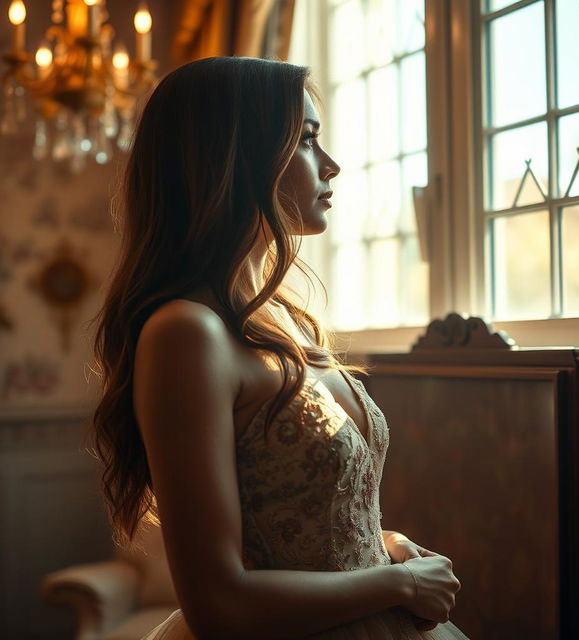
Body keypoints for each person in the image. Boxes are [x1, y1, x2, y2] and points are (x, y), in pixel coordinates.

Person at [91, 56, 467, 640]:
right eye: (307, 141)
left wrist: (380, 547)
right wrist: (400, 585)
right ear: (235, 159)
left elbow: (301, 518)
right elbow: (218, 601)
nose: (332, 164)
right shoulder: (186, 333)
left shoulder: (283, 321)